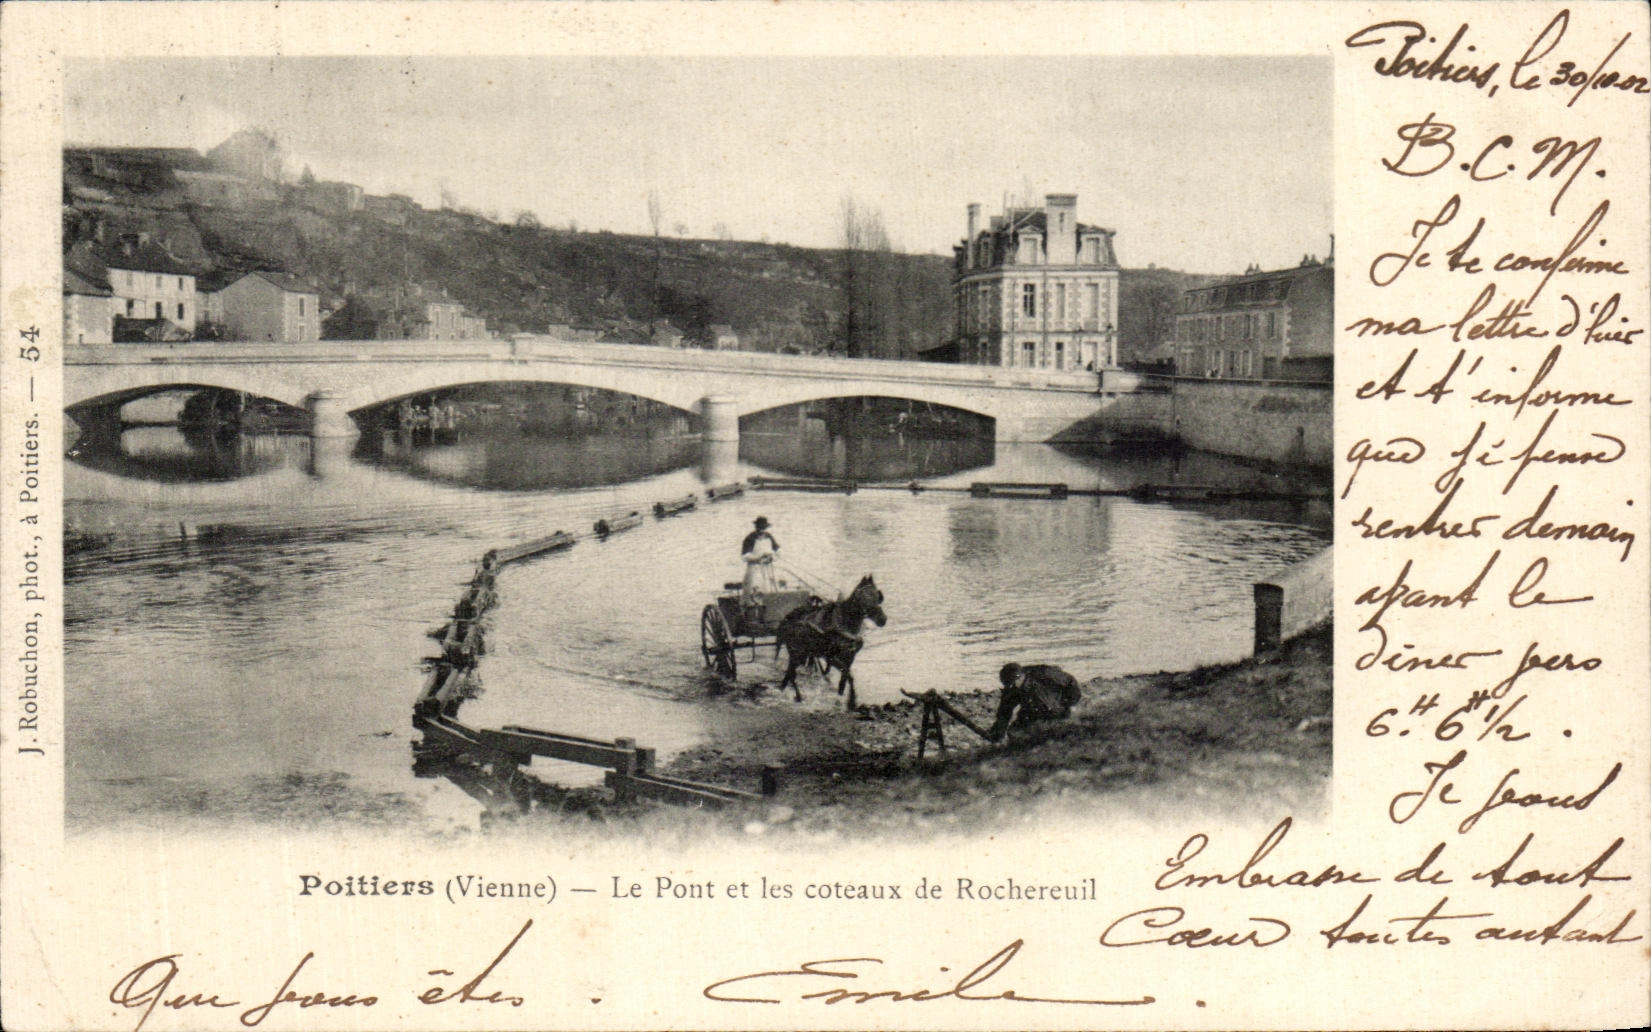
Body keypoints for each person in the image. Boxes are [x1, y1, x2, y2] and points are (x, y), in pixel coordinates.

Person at [988, 662, 1081, 741]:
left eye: (1012, 684)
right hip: (1032, 712)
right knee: (1014, 733)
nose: (1009, 687)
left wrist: (1071, 705)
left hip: (1057, 707)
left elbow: (1070, 681)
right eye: (1006, 685)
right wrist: (998, 731)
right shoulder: (1011, 688)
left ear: (1020, 678)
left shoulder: (1043, 673)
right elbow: (1004, 712)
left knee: (1063, 731)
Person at [740, 516, 780, 607]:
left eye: (764, 528)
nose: (762, 530)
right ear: (756, 527)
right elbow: (745, 556)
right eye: (760, 528)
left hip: (768, 567)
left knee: (771, 587)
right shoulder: (750, 538)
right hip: (755, 568)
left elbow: (778, 550)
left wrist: (772, 557)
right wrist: (758, 557)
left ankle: (771, 610)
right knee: (755, 589)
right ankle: (752, 610)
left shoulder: (769, 536)